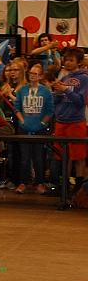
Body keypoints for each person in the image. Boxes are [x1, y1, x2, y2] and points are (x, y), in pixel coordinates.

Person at [50, 47, 88, 191]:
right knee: (63, 157)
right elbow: (58, 101)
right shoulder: (64, 78)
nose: (68, 62)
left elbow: (80, 101)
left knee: (78, 156)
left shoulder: (84, 78)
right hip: (61, 121)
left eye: (71, 60)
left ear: (79, 62)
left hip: (75, 121)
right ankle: (64, 188)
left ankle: (79, 188)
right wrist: (57, 94)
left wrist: (66, 90)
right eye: (66, 59)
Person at [14, 63, 53, 194]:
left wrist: (42, 124)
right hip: (24, 128)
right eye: (31, 73)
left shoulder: (46, 92)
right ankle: (23, 182)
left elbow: (49, 111)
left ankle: (40, 182)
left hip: (39, 129)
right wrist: (22, 120)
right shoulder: (22, 90)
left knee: (38, 158)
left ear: (41, 76)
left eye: (35, 74)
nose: (32, 76)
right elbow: (17, 107)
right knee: (24, 158)